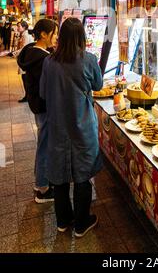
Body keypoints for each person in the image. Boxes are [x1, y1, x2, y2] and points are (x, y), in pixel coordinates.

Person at [40, 17, 103, 237]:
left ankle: (63, 221)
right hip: (82, 126)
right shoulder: (89, 60)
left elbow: (43, 93)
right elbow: (98, 85)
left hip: (58, 127)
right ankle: (81, 223)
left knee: (60, 176)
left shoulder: (49, 62)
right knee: (82, 176)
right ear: (82, 37)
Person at [17, 19, 58, 203]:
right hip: (44, 107)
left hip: (38, 107)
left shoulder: (32, 51)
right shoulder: (42, 59)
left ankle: (40, 182)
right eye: (54, 34)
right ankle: (42, 188)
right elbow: (47, 88)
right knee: (44, 146)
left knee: (43, 144)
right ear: (43, 34)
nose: (56, 38)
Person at [14, 21, 34, 103]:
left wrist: (13, 53)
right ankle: (27, 95)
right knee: (25, 78)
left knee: (25, 78)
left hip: (26, 59)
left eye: (19, 26)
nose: (17, 28)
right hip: (25, 59)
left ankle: (28, 96)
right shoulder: (23, 35)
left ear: (24, 27)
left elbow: (24, 48)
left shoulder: (25, 35)